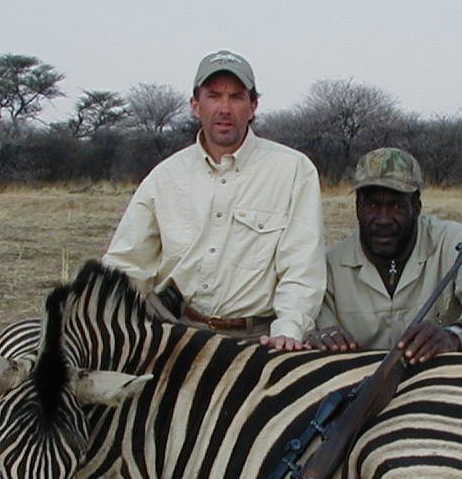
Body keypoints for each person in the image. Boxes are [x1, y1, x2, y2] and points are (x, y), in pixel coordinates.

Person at [103, 50, 323, 351]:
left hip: (256, 340)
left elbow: (301, 267)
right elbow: (126, 266)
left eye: (236, 97)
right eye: (214, 96)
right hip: (175, 333)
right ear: (196, 105)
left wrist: (288, 330)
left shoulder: (294, 170)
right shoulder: (165, 176)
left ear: (253, 106)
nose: (225, 108)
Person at [307, 147, 462, 366]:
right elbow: (315, 327)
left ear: (416, 206)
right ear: (358, 207)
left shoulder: (455, 243)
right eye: (373, 205)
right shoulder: (332, 265)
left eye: (396, 205)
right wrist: (320, 338)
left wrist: (455, 336)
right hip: (367, 382)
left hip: (442, 368)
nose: (383, 218)